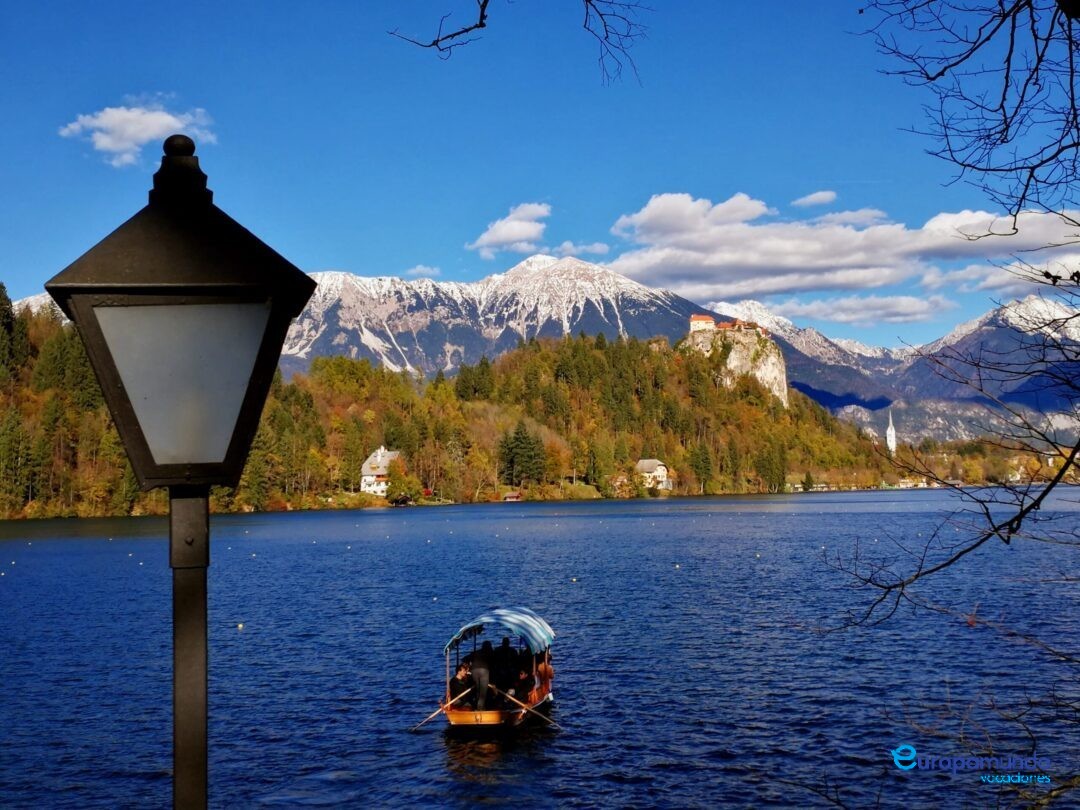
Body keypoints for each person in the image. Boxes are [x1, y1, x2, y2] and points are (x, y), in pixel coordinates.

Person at [469, 640, 493, 710]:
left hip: (474, 671)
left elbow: (465, 659)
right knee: (483, 692)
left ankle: (477, 706)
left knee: (478, 689)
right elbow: (494, 662)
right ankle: (480, 708)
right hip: (484, 671)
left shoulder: (476, 652)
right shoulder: (490, 652)